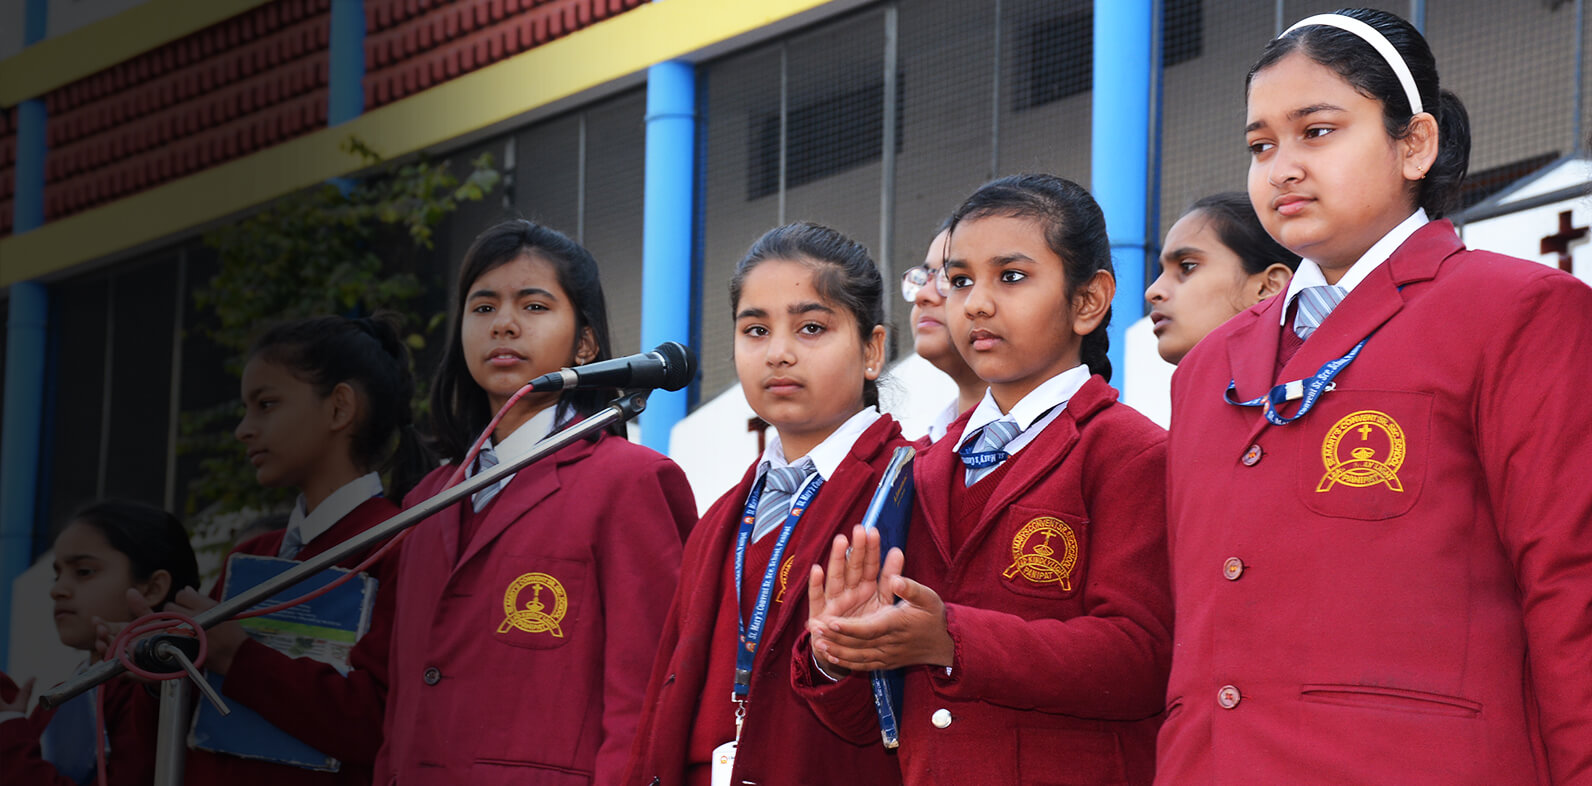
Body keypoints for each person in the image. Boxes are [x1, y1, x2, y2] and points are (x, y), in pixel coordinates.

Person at [1157, 9, 1592, 784]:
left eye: (1316, 131)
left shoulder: (1519, 311)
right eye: (1260, 146)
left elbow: (1571, 589)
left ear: (1414, 144)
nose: (1281, 167)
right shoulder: (1205, 368)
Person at [799, 174, 1172, 785]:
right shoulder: (920, 466)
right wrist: (841, 650)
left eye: (1012, 277)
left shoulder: (1130, 452)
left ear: (1088, 301)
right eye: (961, 279)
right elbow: (875, 723)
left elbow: (1144, 659)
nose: (974, 303)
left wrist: (950, 639)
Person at [377, 219, 696, 785]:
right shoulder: (427, 498)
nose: (503, 324)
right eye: (482, 308)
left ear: (586, 344)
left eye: (534, 306)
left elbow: (646, 698)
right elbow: (403, 704)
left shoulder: (630, 482)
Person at [626, 222, 909, 786]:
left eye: (810, 328)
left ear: (873, 349)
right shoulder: (722, 517)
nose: (778, 353)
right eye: (755, 330)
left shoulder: (909, 487)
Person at [168, 314, 432, 785]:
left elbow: (380, 723)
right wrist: (157, 660)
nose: (243, 430)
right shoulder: (250, 555)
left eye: (266, 404)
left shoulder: (401, 545)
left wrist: (238, 657)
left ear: (339, 408)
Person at [1, 501, 201, 786]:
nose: (57, 590)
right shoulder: (63, 694)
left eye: (84, 572)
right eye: (57, 575)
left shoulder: (160, 690)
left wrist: (8, 737)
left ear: (153, 588)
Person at [1144, 192, 1299, 364]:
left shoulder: (1324, 386)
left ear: (1269, 286)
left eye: (1187, 266)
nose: (1152, 292)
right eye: (1161, 272)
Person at [902, 223, 986, 443]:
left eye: (957, 280)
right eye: (925, 277)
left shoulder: (1079, 439)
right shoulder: (916, 458)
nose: (923, 295)